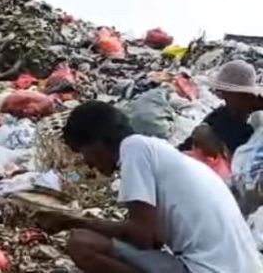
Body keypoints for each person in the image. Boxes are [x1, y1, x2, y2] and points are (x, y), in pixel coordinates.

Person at [39, 100, 261, 273]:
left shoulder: (135, 150)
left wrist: (73, 221)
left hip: (206, 269)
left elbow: (141, 236)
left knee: (82, 242)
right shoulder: (157, 150)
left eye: (83, 151)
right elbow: (152, 239)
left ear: (98, 142)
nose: (87, 162)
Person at [178, 59, 263, 157]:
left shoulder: (255, 118)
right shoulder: (219, 117)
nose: (222, 95)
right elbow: (186, 147)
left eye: (225, 92)